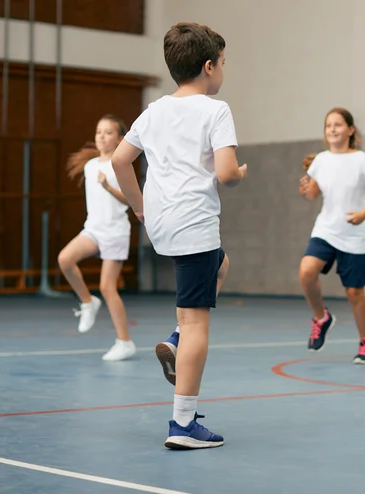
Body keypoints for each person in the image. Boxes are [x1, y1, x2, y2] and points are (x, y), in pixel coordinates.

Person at [112, 22, 246, 450]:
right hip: (194, 225)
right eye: (223, 63)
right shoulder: (215, 110)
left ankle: (174, 337)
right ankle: (183, 424)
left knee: (221, 265)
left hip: (163, 225)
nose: (223, 70)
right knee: (196, 322)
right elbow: (226, 174)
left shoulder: (153, 111)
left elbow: (119, 160)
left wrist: (138, 206)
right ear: (209, 67)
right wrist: (239, 173)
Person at [298, 108, 365, 364]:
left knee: (354, 293)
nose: (332, 129)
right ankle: (321, 318)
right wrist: (307, 189)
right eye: (328, 125)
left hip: (354, 234)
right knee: (306, 272)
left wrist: (364, 213)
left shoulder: (363, 161)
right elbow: (313, 195)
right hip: (326, 229)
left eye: (338, 125)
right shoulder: (320, 160)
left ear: (350, 130)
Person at [58, 115, 137, 361]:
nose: (101, 137)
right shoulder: (90, 166)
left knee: (107, 287)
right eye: (98, 132)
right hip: (93, 229)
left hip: (115, 231)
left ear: (120, 138)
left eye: (108, 132)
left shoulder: (122, 164)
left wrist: (108, 188)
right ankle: (87, 302)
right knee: (65, 260)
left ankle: (124, 342)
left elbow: (133, 200)